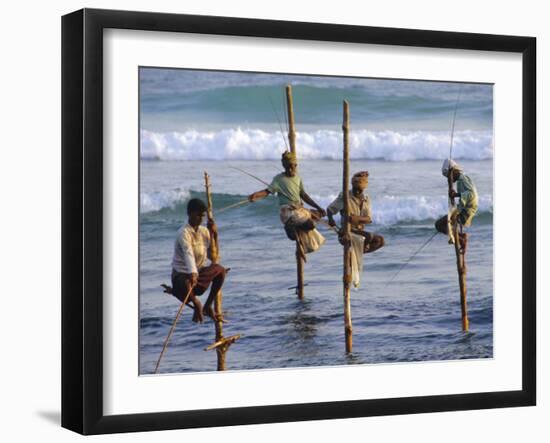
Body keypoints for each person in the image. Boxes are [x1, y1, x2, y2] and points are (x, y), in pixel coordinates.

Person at [247, 151, 326, 259]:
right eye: (287, 167)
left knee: (317, 214)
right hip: (287, 212)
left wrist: (318, 207)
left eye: (291, 167)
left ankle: (296, 233)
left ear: (296, 166)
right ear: (284, 166)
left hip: (299, 211)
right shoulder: (279, 179)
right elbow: (267, 191)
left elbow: (303, 195)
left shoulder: (298, 178)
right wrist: (255, 196)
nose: (289, 170)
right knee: (311, 224)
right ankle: (291, 227)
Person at [170, 198, 226, 323]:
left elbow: (213, 257)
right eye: (198, 215)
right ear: (190, 214)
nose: (201, 219)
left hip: (197, 277)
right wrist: (193, 273)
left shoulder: (204, 231)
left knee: (220, 270)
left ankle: (208, 305)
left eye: (203, 216)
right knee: (185, 281)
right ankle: (197, 304)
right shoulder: (183, 233)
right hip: (182, 279)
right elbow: (188, 252)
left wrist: (214, 235)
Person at [327, 170, 385, 288]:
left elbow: (368, 219)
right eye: (356, 190)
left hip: (358, 229)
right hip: (346, 230)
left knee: (380, 241)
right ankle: (355, 254)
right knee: (368, 237)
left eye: (360, 190)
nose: (358, 192)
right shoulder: (344, 196)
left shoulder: (365, 199)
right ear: (352, 186)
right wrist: (331, 220)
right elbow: (330, 210)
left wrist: (356, 219)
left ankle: (359, 252)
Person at [435, 159, 479, 253]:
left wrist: (456, 195)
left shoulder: (463, 179)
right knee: (445, 224)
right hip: (464, 209)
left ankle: (461, 238)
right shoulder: (461, 180)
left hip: (467, 211)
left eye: (448, 176)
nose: (448, 179)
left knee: (439, 225)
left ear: (454, 171)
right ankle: (461, 237)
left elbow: (472, 194)